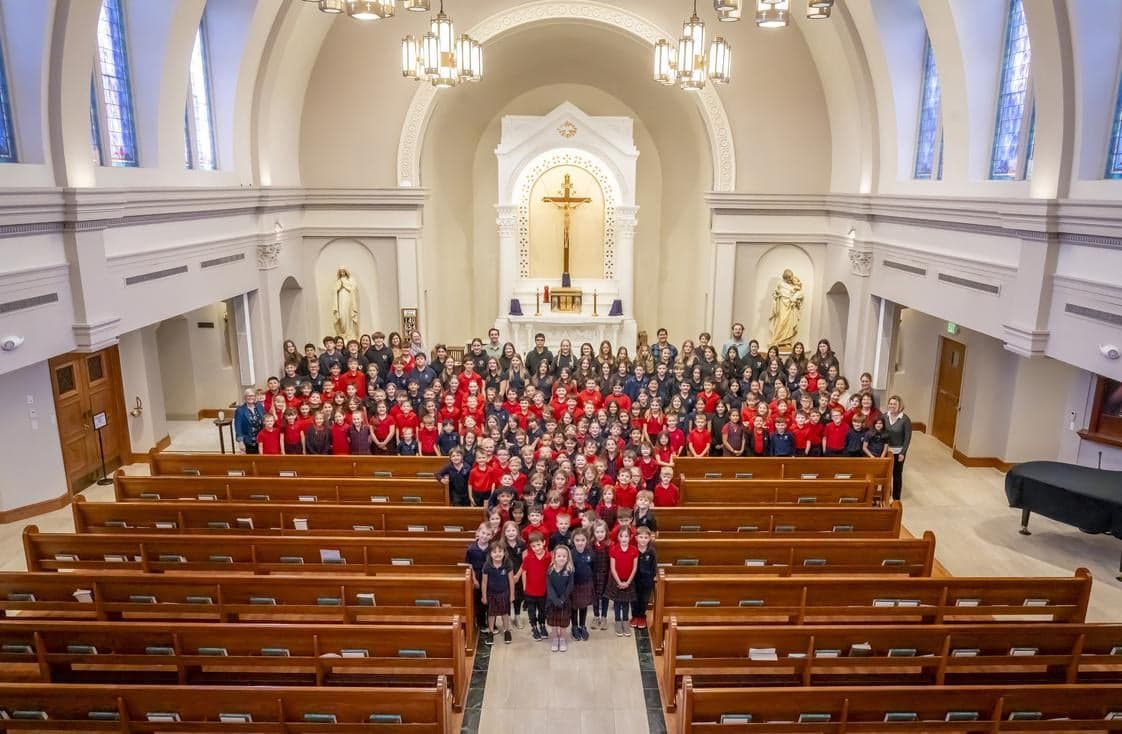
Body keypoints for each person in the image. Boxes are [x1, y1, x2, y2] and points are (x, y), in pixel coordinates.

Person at [481, 541, 514, 646]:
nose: (497, 554)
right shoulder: (487, 565)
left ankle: (506, 630)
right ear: (490, 554)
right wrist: (484, 596)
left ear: (504, 552)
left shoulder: (507, 563)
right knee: (491, 614)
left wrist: (512, 595)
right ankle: (490, 631)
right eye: (494, 552)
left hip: (504, 593)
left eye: (500, 551)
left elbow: (511, 580)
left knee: (505, 613)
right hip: (491, 593)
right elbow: (484, 582)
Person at [608, 525, 639, 637]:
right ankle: (617, 621)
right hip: (617, 581)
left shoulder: (634, 550)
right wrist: (619, 582)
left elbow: (634, 568)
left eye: (626, 536)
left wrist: (628, 582)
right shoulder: (614, 549)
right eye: (622, 536)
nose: (624, 538)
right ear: (618, 537)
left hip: (628, 581)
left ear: (630, 537)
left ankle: (625, 621)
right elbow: (613, 568)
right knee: (617, 603)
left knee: (626, 603)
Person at [521, 531, 551, 641]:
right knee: (532, 611)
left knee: (543, 610)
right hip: (530, 590)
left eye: (538, 545)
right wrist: (524, 586)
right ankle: (534, 627)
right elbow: (524, 572)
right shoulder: (528, 558)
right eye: (533, 546)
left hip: (543, 590)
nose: (536, 548)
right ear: (530, 547)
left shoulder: (549, 557)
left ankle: (542, 625)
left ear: (543, 543)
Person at [465, 523, 493, 637]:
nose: (485, 536)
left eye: (488, 534)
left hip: (489, 578)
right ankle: (481, 623)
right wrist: (474, 580)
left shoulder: (492, 548)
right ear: (478, 533)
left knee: (490, 601)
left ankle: (491, 622)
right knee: (479, 601)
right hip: (477, 577)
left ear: (491, 536)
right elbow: (469, 565)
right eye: (483, 533)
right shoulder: (471, 549)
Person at [545, 544, 574, 652]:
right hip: (552, 601)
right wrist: (555, 599)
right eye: (559, 556)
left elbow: (570, 586)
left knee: (562, 622)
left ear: (567, 558)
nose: (561, 558)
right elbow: (549, 586)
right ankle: (555, 639)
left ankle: (562, 638)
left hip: (564, 601)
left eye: (564, 556)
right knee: (553, 623)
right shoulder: (550, 570)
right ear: (554, 557)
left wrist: (562, 599)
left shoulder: (569, 571)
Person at [883, 395, 912, 501]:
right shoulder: (884, 416)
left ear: (899, 405)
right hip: (886, 450)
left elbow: (907, 438)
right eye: (890, 404)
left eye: (895, 404)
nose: (892, 406)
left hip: (898, 452)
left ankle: (896, 498)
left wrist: (903, 453)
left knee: (897, 475)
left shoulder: (905, 419)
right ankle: (886, 495)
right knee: (886, 474)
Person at [569, 528, 594, 641]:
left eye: (582, 540)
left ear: (587, 540)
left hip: (586, 584)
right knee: (574, 608)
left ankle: (582, 626)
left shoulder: (590, 552)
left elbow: (593, 566)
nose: (580, 542)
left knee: (583, 606)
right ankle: (574, 626)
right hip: (574, 585)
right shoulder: (570, 554)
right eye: (577, 540)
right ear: (573, 541)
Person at [500, 521, 526, 628]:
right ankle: (508, 618)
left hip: (518, 575)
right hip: (506, 576)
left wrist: (518, 575)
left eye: (513, 530)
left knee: (518, 597)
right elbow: (499, 562)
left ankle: (517, 616)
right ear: (504, 533)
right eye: (508, 531)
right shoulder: (501, 545)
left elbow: (525, 561)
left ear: (517, 531)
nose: (511, 533)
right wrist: (510, 577)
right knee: (507, 597)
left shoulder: (522, 544)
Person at [631, 526, 657, 629]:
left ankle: (642, 617)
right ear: (636, 538)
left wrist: (652, 577)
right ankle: (635, 616)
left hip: (647, 581)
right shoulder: (633, 549)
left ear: (649, 538)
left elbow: (654, 566)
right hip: (635, 579)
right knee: (634, 599)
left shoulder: (651, 551)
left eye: (646, 537)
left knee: (644, 599)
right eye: (641, 537)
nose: (643, 540)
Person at [590, 519, 611, 630]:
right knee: (595, 597)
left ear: (606, 532)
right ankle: (596, 615)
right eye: (597, 532)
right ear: (593, 533)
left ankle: (604, 617)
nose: (600, 534)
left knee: (605, 597)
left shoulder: (609, 545)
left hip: (605, 575)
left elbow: (611, 562)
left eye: (602, 532)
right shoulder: (591, 545)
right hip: (594, 575)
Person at [234, 389, 265, 454]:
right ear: (244, 397)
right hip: (249, 441)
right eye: (248, 396)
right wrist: (240, 442)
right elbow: (238, 427)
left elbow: (264, 421)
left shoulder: (259, 406)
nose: (250, 397)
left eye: (252, 395)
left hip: (261, 440)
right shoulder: (240, 410)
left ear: (255, 397)